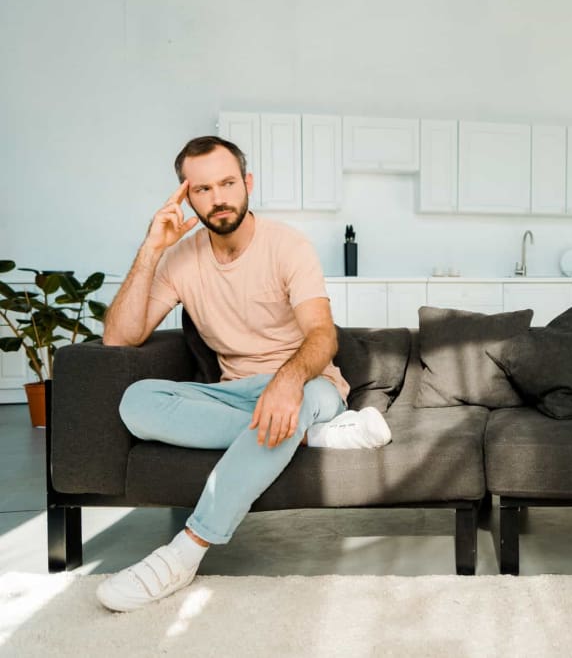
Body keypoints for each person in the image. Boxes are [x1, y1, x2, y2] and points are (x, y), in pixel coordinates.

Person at [96, 136, 391, 612]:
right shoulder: (180, 258)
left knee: (291, 405)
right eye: (203, 189)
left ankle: (185, 552)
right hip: (236, 393)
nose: (218, 198)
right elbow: (118, 337)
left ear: (247, 183)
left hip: (310, 387)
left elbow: (322, 335)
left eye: (228, 183)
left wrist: (286, 384)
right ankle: (310, 438)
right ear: (186, 197)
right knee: (137, 401)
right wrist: (152, 248)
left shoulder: (288, 246)